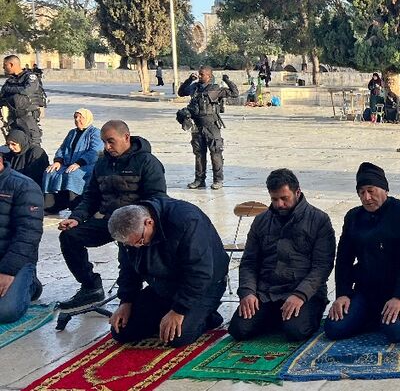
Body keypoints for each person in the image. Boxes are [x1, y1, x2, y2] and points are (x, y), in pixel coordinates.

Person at [57, 121, 167, 310]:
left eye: (111, 141)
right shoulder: (102, 163)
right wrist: (76, 218)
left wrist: (139, 223)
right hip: (109, 221)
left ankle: (131, 299)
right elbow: (90, 197)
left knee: (128, 254)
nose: (107, 147)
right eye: (104, 142)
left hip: (138, 223)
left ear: (126, 137)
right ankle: (90, 286)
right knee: (69, 236)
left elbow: (157, 199)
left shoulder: (147, 162)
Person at [229, 169, 335, 342]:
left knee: (295, 331)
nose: (279, 204)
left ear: (297, 192)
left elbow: (322, 266)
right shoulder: (261, 221)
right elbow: (249, 262)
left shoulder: (319, 220)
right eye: (274, 199)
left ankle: (298, 315)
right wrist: (248, 292)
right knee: (239, 330)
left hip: (303, 292)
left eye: (284, 199)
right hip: (267, 292)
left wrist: (300, 295)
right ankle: (273, 316)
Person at [107, 197, 228, 347]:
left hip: (204, 286)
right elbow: (128, 269)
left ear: (149, 222)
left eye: (141, 242)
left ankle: (207, 315)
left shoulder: (186, 221)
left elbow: (200, 273)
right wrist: (126, 302)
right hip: (163, 286)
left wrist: (178, 311)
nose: (138, 247)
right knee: (121, 331)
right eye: (131, 245)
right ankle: (168, 315)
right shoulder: (130, 233)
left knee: (177, 337)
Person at [326, 162, 400, 343]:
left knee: (397, 332)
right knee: (334, 328)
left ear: (384, 189)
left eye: (371, 190)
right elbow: (344, 259)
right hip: (367, 290)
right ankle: (369, 315)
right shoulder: (354, 217)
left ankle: (380, 316)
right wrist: (343, 294)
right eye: (361, 192)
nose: (367, 197)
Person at [178, 66, 239, 190]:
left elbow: (235, 93)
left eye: (202, 75)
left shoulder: (216, 89)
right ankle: (199, 180)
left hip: (212, 126)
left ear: (209, 76)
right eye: (199, 74)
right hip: (197, 126)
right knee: (199, 154)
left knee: (215, 153)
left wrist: (227, 80)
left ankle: (218, 179)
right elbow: (181, 92)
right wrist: (189, 80)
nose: (199, 76)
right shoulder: (194, 87)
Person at [0, 155, 43, 323]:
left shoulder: (24, 187)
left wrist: (8, 271)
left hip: (14, 262)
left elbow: (29, 234)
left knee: (5, 311)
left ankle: (30, 284)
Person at [43, 109, 103, 214]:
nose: (77, 120)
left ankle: (75, 207)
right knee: (50, 172)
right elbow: (62, 148)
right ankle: (51, 206)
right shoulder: (72, 132)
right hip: (68, 164)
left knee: (73, 174)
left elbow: (96, 151)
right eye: (75, 117)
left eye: (81, 117)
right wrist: (58, 161)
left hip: (87, 165)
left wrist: (79, 163)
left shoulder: (95, 133)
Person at [0, 55, 44, 146]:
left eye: (5, 65)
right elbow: (2, 96)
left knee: (33, 143)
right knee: (14, 144)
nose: (3, 67)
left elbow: (27, 90)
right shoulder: (9, 81)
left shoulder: (30, 77)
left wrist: (11, 90)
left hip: (28, 117)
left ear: (11, 64)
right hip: (13, 118)